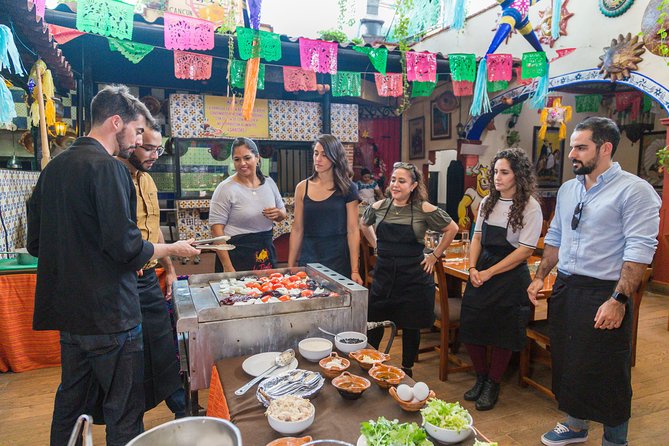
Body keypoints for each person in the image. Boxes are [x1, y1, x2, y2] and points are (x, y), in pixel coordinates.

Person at [26, 85, 200, 446]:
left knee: (71, 405)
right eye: (137, 132)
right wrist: (169, 249)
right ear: (115, 122)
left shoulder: (54, 168)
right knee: (124, 409)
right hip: (110, 314)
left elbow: (36, 243)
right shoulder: (109, 169)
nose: (137, 141)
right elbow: (126, 247)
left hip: (70, 316)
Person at [527, 117, 661, 446]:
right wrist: (540, 276)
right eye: (572, 146)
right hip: (567, 287)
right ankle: (576, 424)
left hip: (606, 292)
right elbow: (556, 236)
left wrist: (618, 301)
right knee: (570, 361)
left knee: (609, 371)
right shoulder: (569, 188)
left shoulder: (635, 191)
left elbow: (639, 251)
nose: (571, 153)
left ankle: (615, 440)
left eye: (580, 147)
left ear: (605, 148)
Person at [459, 148, 543, 411]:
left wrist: (489, 272)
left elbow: (525, 251)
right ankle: (481, 376)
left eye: (504, 172)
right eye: (496, 171)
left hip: (510, 273)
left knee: (502, 332)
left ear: (518, 175)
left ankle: (493, 383)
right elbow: (477, 237)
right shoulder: (487, 202)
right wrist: (473, 267)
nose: (497, 177)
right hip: (482, 267)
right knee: (471, 325)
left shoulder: (531, 207)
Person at [361, 162, 459, 377]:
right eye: (394, 180)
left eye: (401, 181)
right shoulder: (379, 207)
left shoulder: (423, 209)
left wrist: (434, 255)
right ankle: (370, 362)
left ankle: (407, 369)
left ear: (414, 185)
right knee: (375, 321)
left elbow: (452, 228)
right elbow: (363, 223)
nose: (395, 184)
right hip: (385, 275)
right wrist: (376, 244)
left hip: (413, 277)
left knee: (411, 324)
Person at [118, 122, 186, 418]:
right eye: (148, 148)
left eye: (159, 149)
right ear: (130, 141)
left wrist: (169, 269)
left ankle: (181, 409)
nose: (155, 155)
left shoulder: (147, 179)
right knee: (131, 353)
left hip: (148, 278)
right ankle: (131, 417)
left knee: (162, 344)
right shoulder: (114, 178)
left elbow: (154, 230)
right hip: (123, 281)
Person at [289, 134, 363, 284]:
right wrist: (290, 265)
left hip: (338, 258)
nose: (318, 159)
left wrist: (355, 270)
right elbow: (297, 228)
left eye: (324, 155)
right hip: (309, 256)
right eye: (316, 153)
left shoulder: (348, 188)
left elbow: (353, 230)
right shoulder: (302, 187)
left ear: (335, 157)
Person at [209, 137, 286, 272]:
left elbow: (283, 213)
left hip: (264, 251)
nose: (242, 163)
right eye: (237, 159)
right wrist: (227, 266)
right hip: (236, 254)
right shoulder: (225, 188)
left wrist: (278, 214)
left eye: (247, 158)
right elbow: (216, 231)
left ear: (257, 158)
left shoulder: (269, 183)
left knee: (266, 291)